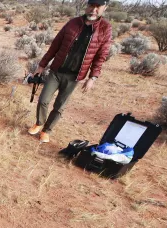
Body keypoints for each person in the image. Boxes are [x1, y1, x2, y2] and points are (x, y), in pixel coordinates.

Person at [28, 0, 112, 143]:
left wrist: (93, 78)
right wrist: (42, 65)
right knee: (43, 100)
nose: (94, 10)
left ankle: (46, 131)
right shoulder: (73, 23)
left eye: (98, 7)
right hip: (56, 70)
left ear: (105, 8)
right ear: (87, 6)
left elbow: (101, 56)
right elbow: (55, 45)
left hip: (75, 76)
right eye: (92, 5)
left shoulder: (105, 28)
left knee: (60, 106)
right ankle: (39, 123)